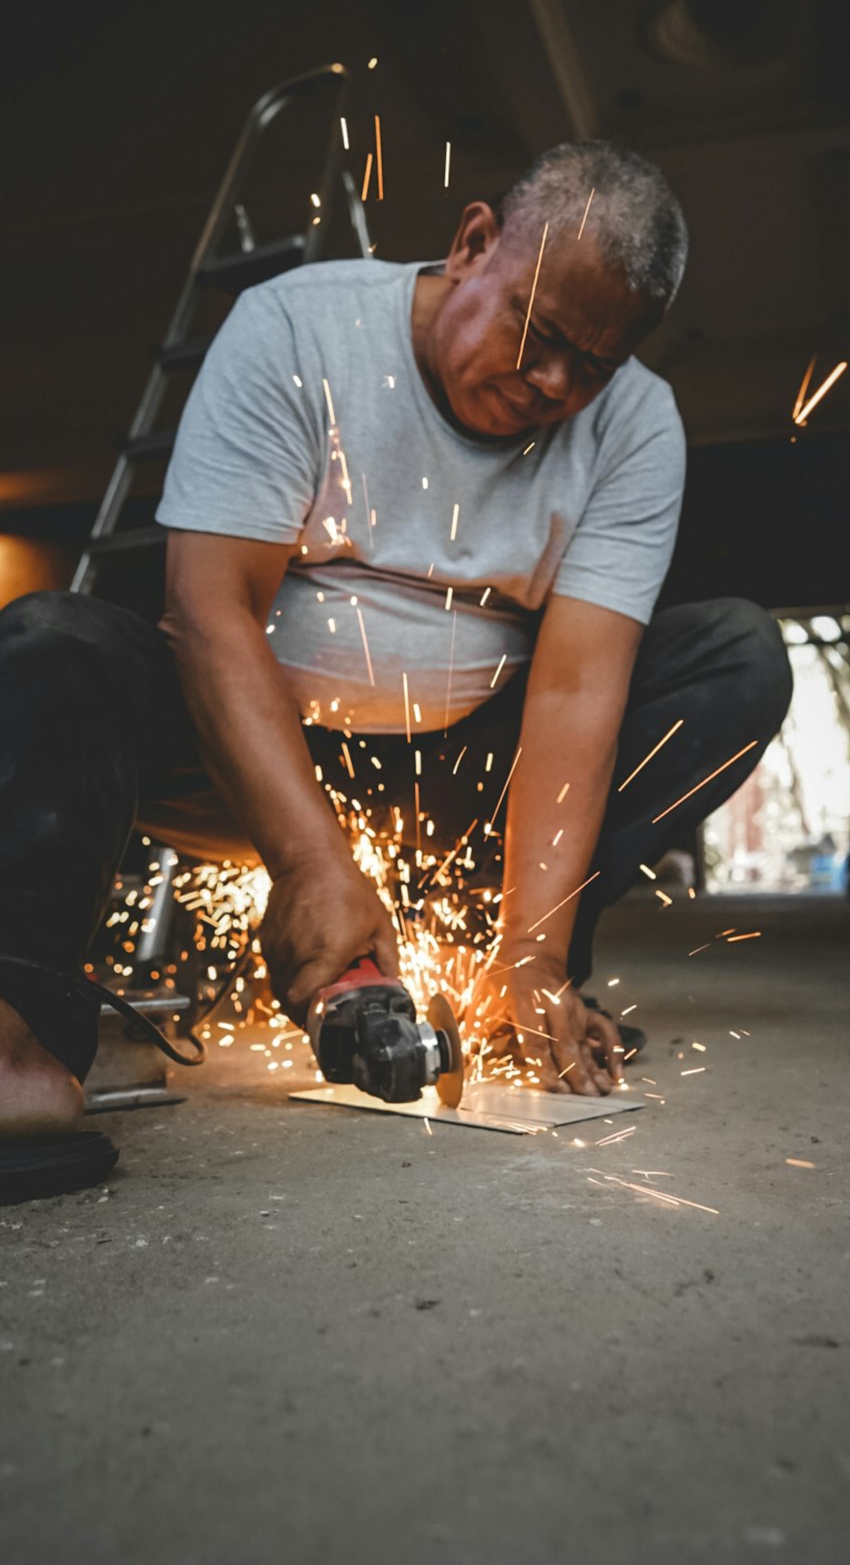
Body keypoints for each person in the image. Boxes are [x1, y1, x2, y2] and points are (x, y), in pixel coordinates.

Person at [0, 141, 792, 1165]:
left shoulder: (638, 423)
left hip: (464, 775)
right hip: (243, 757)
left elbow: (577, 684)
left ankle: (508, 979)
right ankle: (20, 1029)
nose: (551, 381)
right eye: (537, 331)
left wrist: (535, 948)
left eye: (588, 365)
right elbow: (210, 612)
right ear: (471, 246)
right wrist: (310, 864)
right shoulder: (297, 325)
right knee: (53, 641)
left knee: (735, 654)